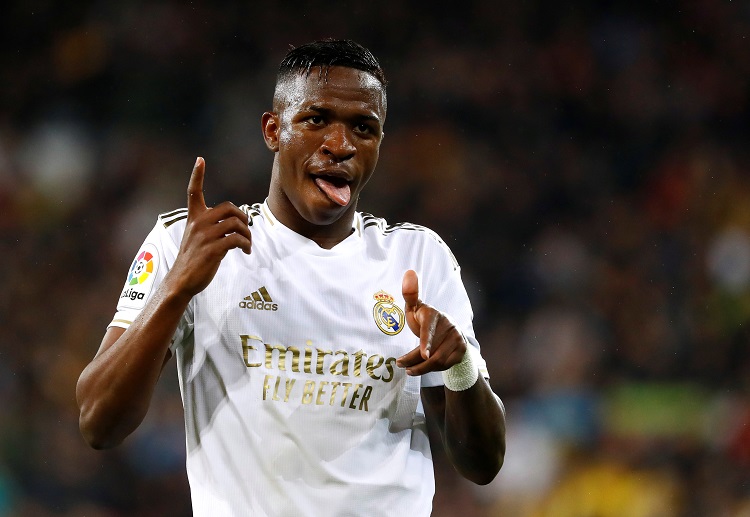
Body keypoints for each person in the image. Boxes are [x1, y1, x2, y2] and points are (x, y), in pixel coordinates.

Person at [76, 39, 506, 516]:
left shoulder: (418, 258)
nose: (340, 145)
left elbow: (483, 464)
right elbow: (99, 422)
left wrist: (460, 366)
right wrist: (177, 286)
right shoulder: (190, 243)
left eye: (363, 128)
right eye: (316, 119)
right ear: (273, 130)